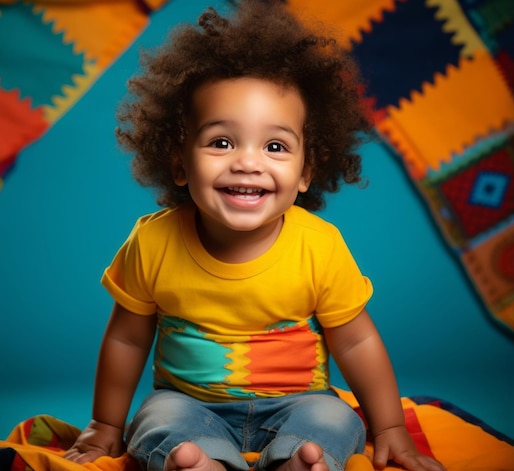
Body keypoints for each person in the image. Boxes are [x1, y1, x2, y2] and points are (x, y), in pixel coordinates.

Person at [66, 2, 445, 471]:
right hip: (190, 405)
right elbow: (126, 339)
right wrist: (105, 424)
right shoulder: (152, 243)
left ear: (306, 171)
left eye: (275, 146)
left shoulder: (318, 246)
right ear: (180, 162)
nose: (247, 162)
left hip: (299, 403)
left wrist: (389, 429)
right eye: (222, 142)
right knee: (157, 418)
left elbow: (355, 342)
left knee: (335, 418)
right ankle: (199, 463)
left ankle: (298, 461)